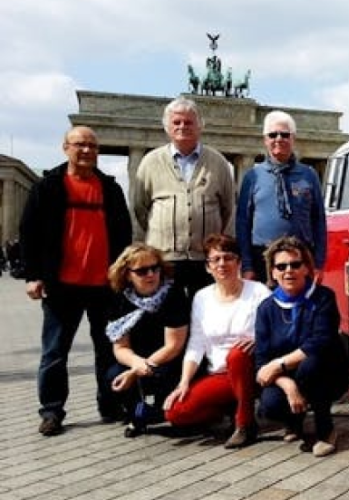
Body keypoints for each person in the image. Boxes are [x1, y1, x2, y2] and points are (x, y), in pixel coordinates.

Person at [19, 126, 132, 436]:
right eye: (80, 145)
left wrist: (123, 275)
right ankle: (52, 411)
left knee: (107, 349)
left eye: (92, 146)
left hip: (103, 286)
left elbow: (123, 234)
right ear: (65, 147)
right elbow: (29, 232)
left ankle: (110, 404)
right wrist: (33, 275)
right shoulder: (48, 187)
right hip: (61, 285)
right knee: (54, 352)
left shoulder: (110, 189)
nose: (86, 151)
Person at [163, 234, 271, 449]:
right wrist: (184, 382)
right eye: (216, 259)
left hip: (252, 369)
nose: (222, 264)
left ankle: (245, 424)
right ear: (207, 267)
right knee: (175, 412)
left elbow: (274, 330)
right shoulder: (201, 297)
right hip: (220, 375)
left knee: (237, 354)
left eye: (228, 258)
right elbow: (196, 343)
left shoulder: (258, 291)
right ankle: (232, 406)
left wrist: (259, 341)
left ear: (239, 262)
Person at [130, 96, 236, 300]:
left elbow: (228, 209)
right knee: (167, 317)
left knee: (204, 317)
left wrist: (222, 250)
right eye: (176, 122)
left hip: (206, 259)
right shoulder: (150, 162)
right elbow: (139, 208)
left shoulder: (218, 162)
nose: (182, 126)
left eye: (188, 122)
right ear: (167, 127)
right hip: (163, 258)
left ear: (200, 126)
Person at [255, 236, 349, 457]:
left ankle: (326, 430)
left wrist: (279, 364)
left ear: (307, 268)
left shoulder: (324, 297)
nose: (289, 271)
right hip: (288, 374)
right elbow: (261, 361)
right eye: (281, 266)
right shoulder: (266, 309)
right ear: (273, 273)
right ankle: (294, 420)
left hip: (327, 370)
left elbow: (320, 342)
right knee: (269, 406)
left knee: (311, 364)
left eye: (295, 264)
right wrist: (288, 386)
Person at [104, 243, 188, 437]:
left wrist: (137, 371)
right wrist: (137, 364)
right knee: (113, 375)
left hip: (170, 358)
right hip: (139, 358)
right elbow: (120, 347)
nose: (151, 274)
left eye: (155, 268)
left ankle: (160, 412)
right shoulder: (119, 299)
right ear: (127, 274)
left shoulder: (172, 294)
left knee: (157, 375)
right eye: (142, 271)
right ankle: (136, 415)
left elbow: (174, 346)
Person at [236, 110, 327, 283]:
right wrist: (247, 265)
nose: (279, 139)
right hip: (261, 259)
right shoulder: (252, 177)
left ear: (293, 138)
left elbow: (319, 221)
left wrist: (319, 264)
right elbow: (242, 223)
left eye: (284, 135)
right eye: (273, 135)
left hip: (300, 258)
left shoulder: (309, 175)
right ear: (265, 140)